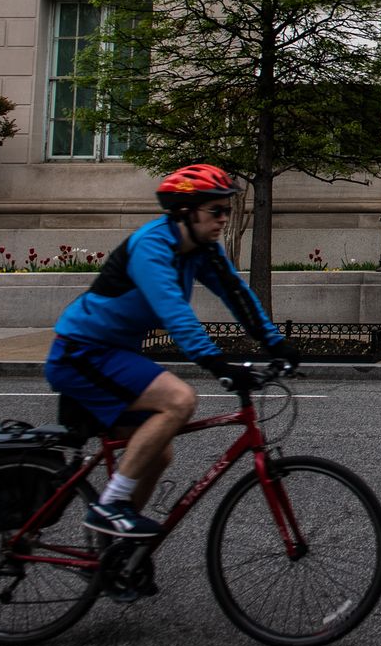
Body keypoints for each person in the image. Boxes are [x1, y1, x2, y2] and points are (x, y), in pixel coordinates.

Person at [44, 165, 300, 539]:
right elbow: (175, 313)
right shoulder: (151, 246)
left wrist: (276, 343)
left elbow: (236, 295)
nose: (223, 220)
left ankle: (118, 553)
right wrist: (217, 365)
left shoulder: (201, 251)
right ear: (186, 211)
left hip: (115, 353)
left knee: (156, 454)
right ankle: (109, 507)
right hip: (82, 353)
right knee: (179, 400)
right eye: (215, 211)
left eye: (227, 211)